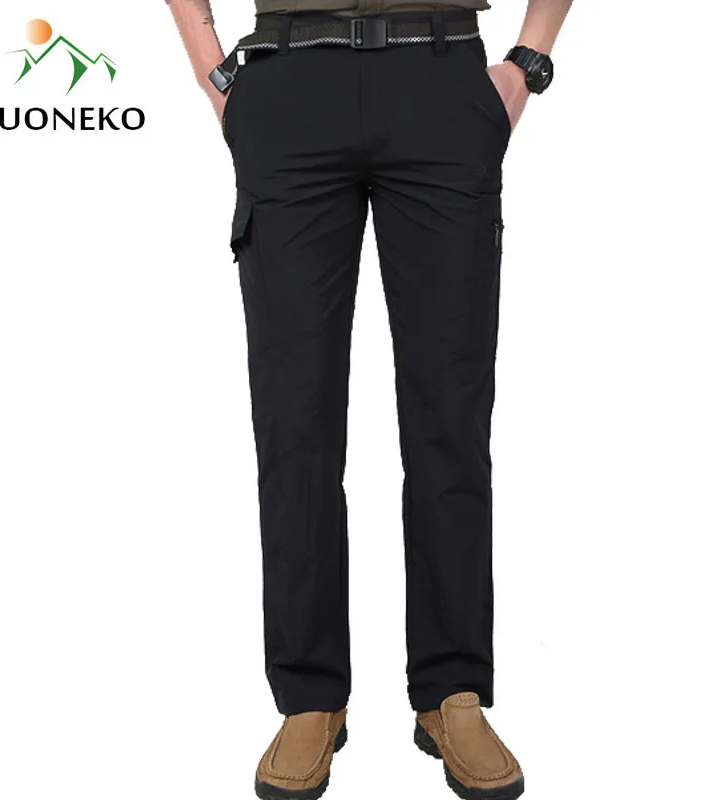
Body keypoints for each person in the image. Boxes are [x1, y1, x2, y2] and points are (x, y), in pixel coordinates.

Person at [166, 1, 572, 798]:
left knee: (451, 413)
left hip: (441, 79)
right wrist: (214, 73)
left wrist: (528, 63)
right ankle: (309, 696)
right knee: (295, 418)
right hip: (288, 86)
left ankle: (452, 690)